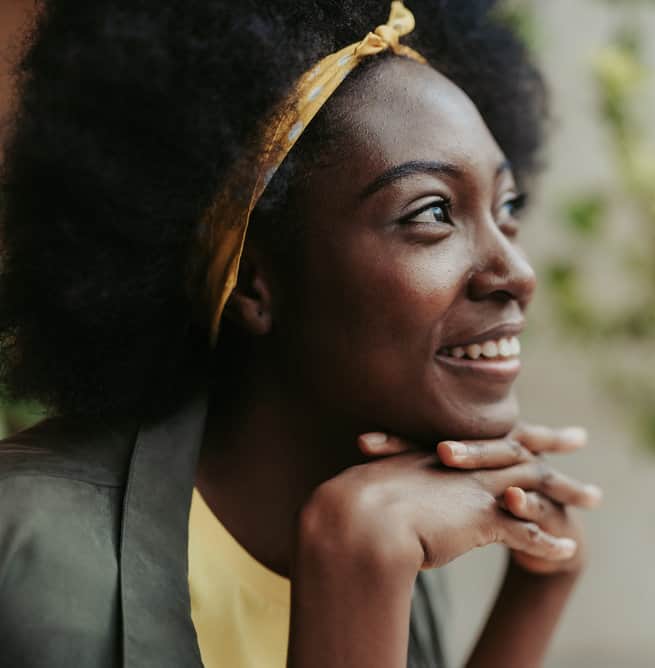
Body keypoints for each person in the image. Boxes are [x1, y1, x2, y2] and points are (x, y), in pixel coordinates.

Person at [0, 1, 602, 667]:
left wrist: (540, 586)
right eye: (432, 211)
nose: (517, 273)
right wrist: (356, 566)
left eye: (506, 207)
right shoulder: (22, 552)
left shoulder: (395, 513)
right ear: (256, 283)